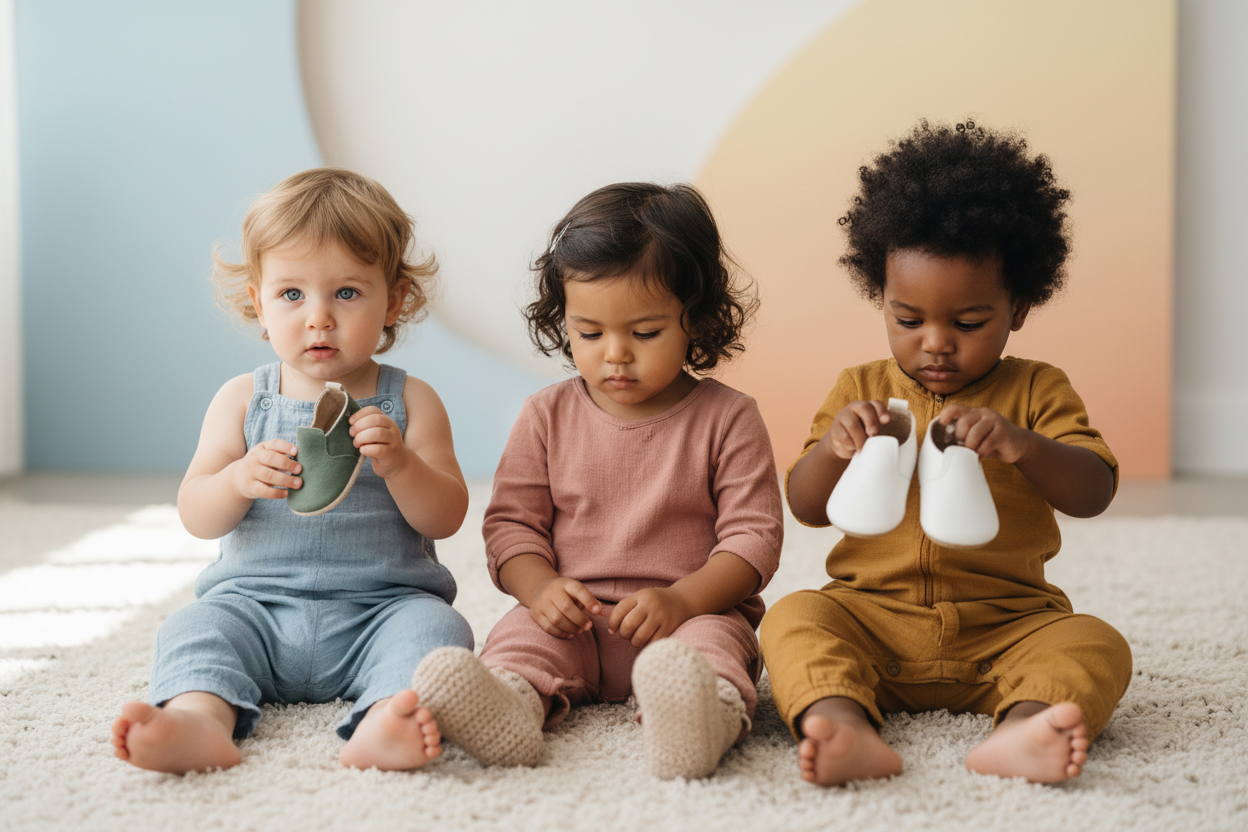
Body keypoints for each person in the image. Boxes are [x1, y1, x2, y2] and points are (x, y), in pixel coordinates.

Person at [760, 120, 1132, 786]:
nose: (935, 342)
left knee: (1096, 642)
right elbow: (806, 505)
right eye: (908, 319)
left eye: (967, 323)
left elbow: (1093, 490)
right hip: (871, 621)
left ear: (1018, 308)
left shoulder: (1036, 388)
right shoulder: (860, 389)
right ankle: (842, 720)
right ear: (880, 296)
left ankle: (1024, 728)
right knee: (793, 617)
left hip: (1008, 627)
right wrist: (838, 446)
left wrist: (1021, 445)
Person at [411, 182, 784, 779]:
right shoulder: (545, 415)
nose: (615, 354)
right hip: (573, 619)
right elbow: (511, 528)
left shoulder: (730, 417)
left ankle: (700, 718)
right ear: (564, 322)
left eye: (644, 333)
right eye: (589, 333)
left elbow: (753, 542)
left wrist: (684, 599)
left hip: (689, 614)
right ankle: (509, 706)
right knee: (518, 640)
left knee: (714, 649)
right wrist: (540, 591)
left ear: (698, 319)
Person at [110, 168, 474, 773]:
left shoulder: (411, 402)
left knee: (440, 630)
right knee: (193, 626)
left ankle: (388, 718)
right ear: (258, 299)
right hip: (255, 608)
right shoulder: (242, 400)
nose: (319, 318)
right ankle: (199, 721)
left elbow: (448, 513)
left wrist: (401, 463)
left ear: (396, 298)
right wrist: (235, 481)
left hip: (380, 610)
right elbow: (195, 513)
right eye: (292, 295)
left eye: (348, 293)